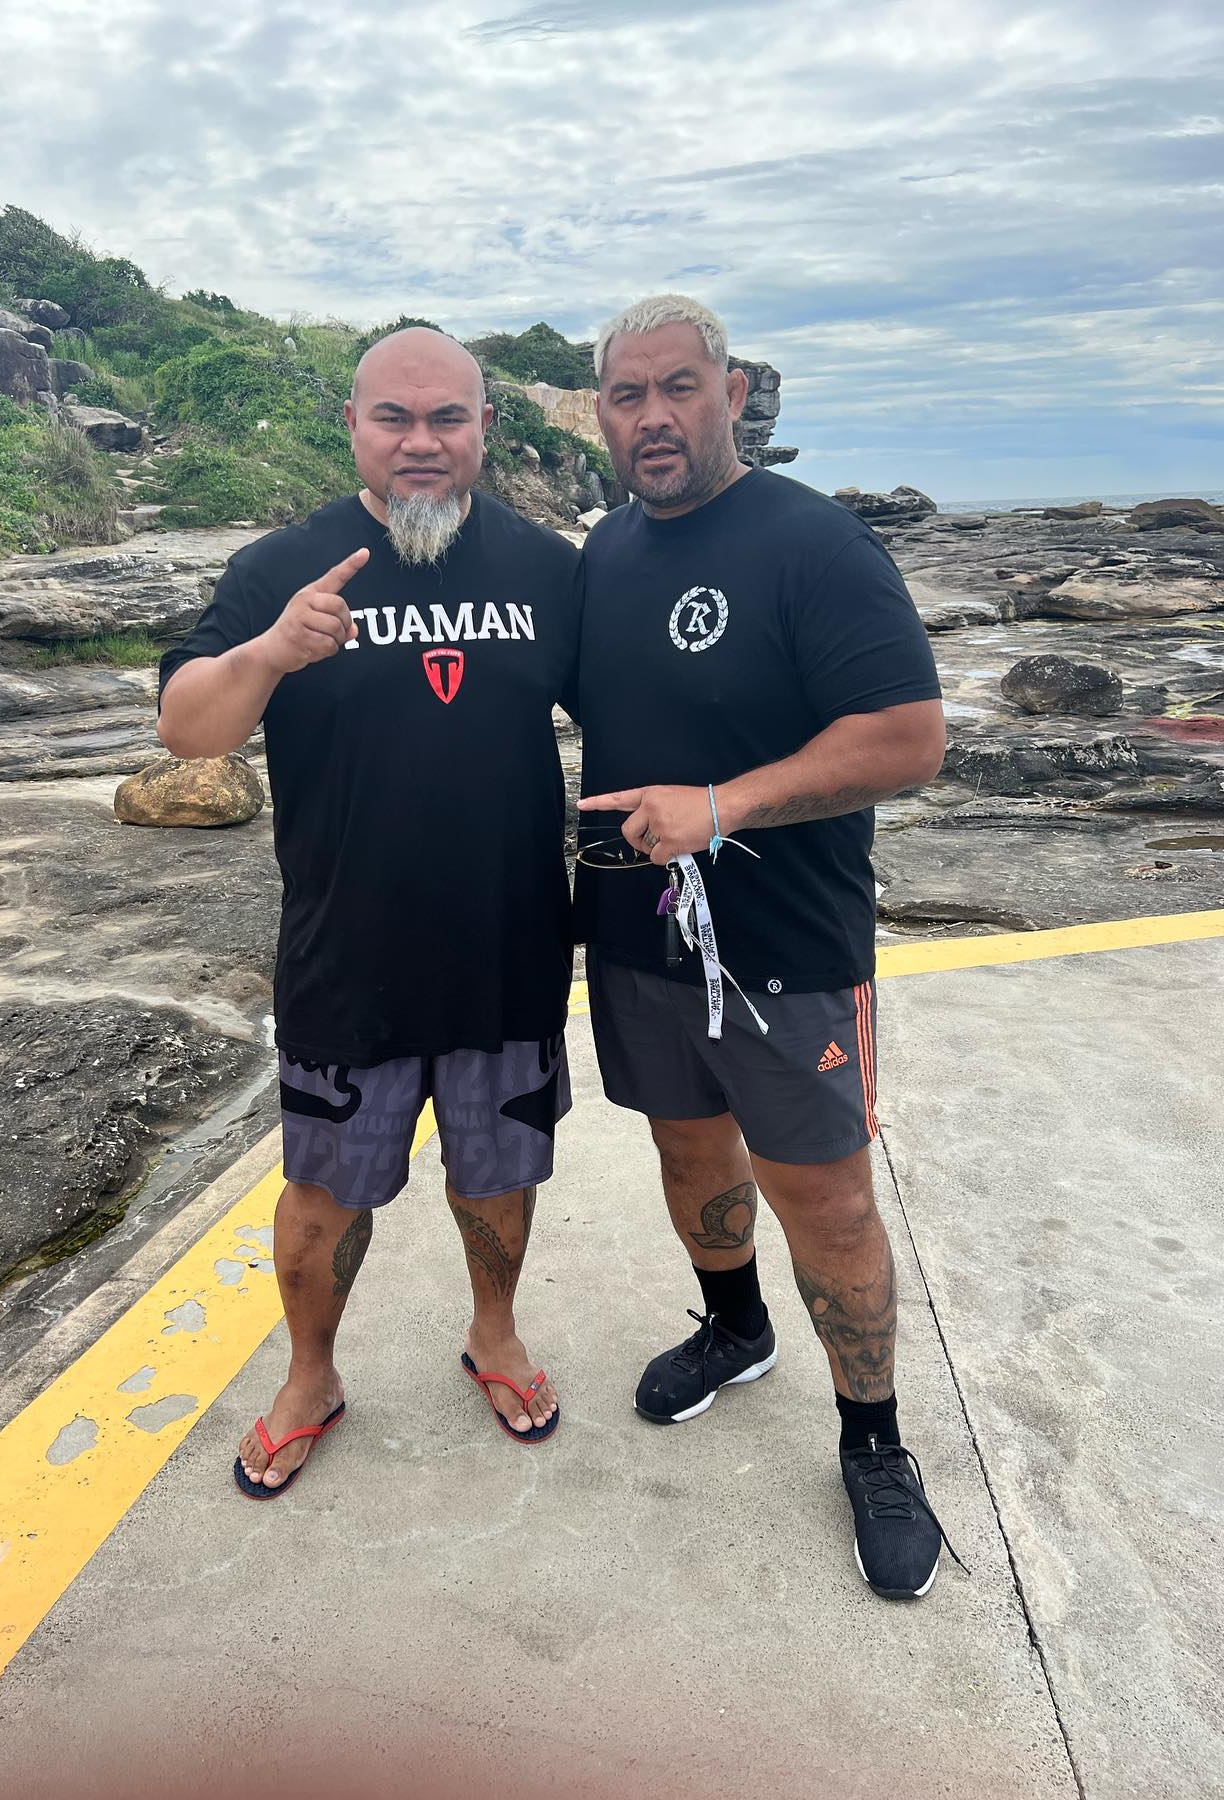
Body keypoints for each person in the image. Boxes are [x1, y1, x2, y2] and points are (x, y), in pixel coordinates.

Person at [573, 294, 958, 1599]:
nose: (655, 418)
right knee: (688, 1152)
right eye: (628, 397)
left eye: (679, 388)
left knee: (829, 1200)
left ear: (732, 393)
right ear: (603, 415)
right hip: (636, 941)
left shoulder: (815, 544)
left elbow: (908, 737)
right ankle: (734, 1331)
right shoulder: (602, 556)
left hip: (789, 948)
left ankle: (873, 1440)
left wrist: (722, 809)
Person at [157, 327, 580, 1496]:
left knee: (498, 1176)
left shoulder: (548, 570)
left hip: (509, 951)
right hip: (347, 958)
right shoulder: (282, 567)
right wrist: (270, 652)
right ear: (352, 425)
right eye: (395, 417)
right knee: (323, 1193)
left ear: (485, 429)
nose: (422, 443)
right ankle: (310, 1376)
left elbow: (643, 712)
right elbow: (187, 729)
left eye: (448, 418)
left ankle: (494, 1335)